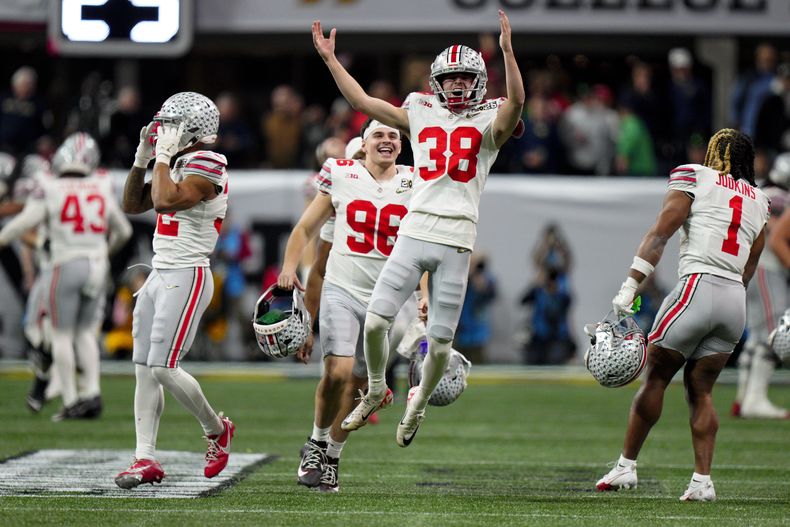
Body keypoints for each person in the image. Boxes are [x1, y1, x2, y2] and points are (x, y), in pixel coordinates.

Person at [313, 9, 525, 446]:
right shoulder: (419, 109)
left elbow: (517, 104)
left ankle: (418, 405)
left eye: (465, 77)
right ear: (437, 81)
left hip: (457, 238)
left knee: (442, 345)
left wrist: (507, 52)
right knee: (375, 324)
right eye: (450, 78)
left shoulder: (489, 119)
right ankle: (374, 388)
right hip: (415, 231)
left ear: (479, 81)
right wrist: (332, 61)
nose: (457, 85)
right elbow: (364, 104)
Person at [596, 129, 769, 501]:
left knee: (655, 376)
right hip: (734, 301)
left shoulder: (696, 175)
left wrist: (630, 288)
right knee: (701, 390)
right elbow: (749, 267)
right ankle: (702, 481)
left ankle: (626, 466)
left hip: (698, 287)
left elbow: (661, 234)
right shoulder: (760, 200)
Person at [277, 119, 420, 492]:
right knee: (337, 373)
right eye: (378, 135)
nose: (386, 141)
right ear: (364, 144)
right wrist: (290, 270)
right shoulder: (340, 175)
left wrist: (424, 296)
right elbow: (310, 241)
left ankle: (333, 457)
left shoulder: (416, 183)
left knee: (360, 388)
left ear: (401, 145)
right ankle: (316, 442)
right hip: (343, 290)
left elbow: (426, 244)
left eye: (393, 135)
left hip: (386, 300)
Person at [115, 92, 235, 489]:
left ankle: (217, 429)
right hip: (158, 272)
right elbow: (133, 204)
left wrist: (163, 158)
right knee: (143, 371)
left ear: (192, 129)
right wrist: (141, 159)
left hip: (187, 273)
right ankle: (144, 457)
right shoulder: (179, 161)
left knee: (163, 367)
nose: (164, 129)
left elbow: (165, 201)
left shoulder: (209, 161)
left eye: (171, 123)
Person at [0, 133, 132, 420]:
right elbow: (124, 231)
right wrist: (103, 252)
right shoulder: (100, 184)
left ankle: (71, 399)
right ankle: (92, 394)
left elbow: (23, 223)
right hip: (96, 266)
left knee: (61, 335)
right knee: (85, 333)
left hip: (65, 263)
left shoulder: (51, 186)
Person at [732, 184, 789, 419]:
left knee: (757, 334)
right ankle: (754, 400)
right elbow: (775, 236)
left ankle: (743, 397)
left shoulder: (764, 192)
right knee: (772, 328)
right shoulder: (778, 197)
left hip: (754, 267)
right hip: (767, 268)